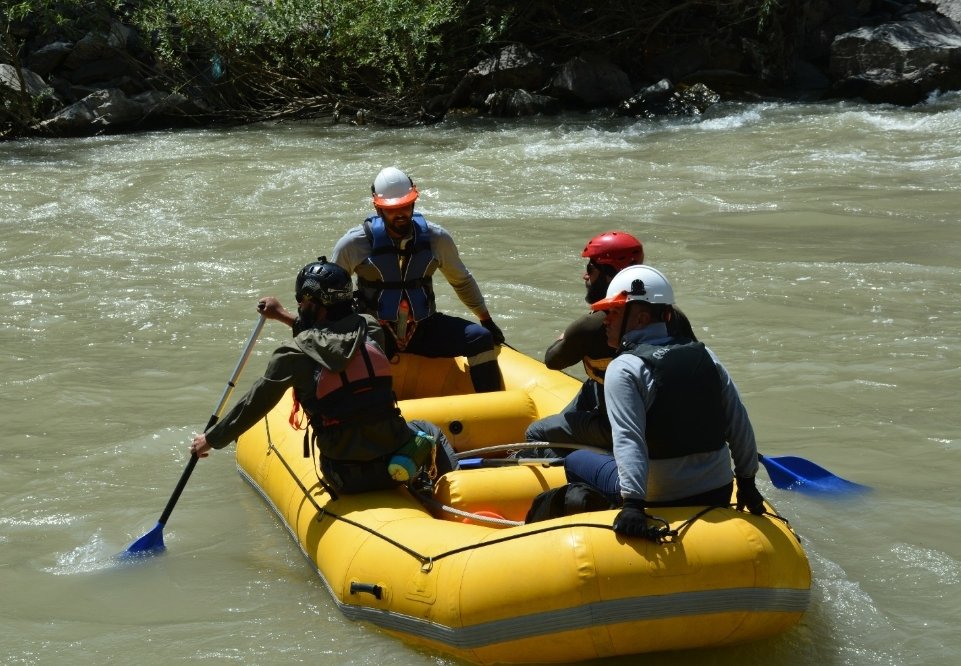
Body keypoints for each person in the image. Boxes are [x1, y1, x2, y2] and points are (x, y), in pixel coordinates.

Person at [190, 257, 456, 495]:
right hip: (390, 461)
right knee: (429, 429)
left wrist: (210, 439)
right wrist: (284, 316)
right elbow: (338, 338)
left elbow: (255, 403)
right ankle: (451, 496)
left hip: (344, 475)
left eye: (302, 301)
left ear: (315, 303)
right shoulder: (372, 330)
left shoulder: (291, 356)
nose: (299, 305)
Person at [562, 264, 766, 541]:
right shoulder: (707, 356)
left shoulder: (624, 367)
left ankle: (596, 524)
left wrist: (633, 504)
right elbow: (738, 422)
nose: (604, 320)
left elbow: (628, 439)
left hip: (658, 497)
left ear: (641, 318)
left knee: (575, 460)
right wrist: (746, 482)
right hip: (717, 489)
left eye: (613, 312)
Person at [330, 166, 505, 393]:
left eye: (406, 206)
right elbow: (332, 297)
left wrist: (486, 319)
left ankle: (490, 406)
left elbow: (461, 280)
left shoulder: (436, 239)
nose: (401, 213)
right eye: (393, 209)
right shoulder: (353, 244)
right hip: (375, 333)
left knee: (480, 338)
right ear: (377, 207)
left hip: (424, 327)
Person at [524, 231, 695, 451]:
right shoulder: (672, 316)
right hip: (661, 420)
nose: (585, 276)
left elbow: (553, 359)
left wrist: (566, 336)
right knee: (592, 385)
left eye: (590, 268)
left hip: (618, 426)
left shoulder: (594, 325)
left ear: (609, 275)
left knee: (536, 432)